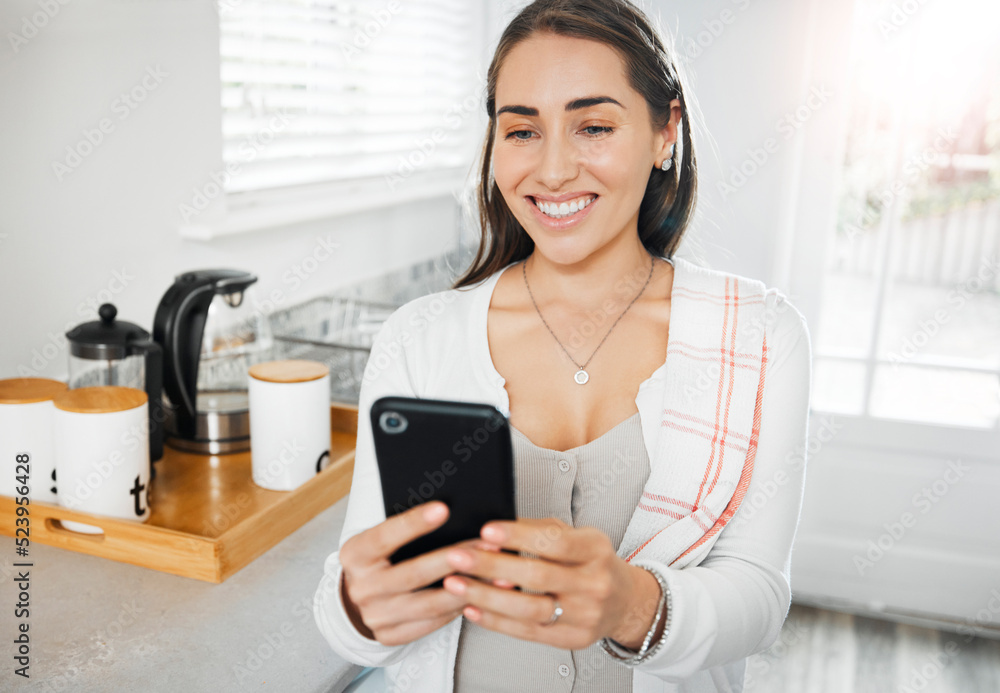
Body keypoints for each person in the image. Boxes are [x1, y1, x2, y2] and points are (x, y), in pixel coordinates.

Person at [314, 1, 812, 691]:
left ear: (666, 130)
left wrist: (630, 600)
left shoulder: (759, 335)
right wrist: (357, 606)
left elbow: (759, 598)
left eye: (595, 126)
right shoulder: (420, 338)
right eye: (522, 130)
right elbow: (347, 601)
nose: (551, 170)